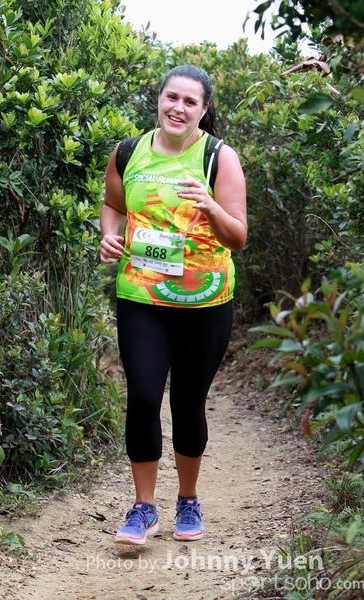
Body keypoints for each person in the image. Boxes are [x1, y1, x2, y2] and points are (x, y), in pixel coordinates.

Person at [100, 64, 247, 546]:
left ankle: (188, 498)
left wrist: (210, 205)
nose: (178, 108)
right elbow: (113, 205)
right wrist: (109, 235)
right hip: (141, 295)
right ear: (159, 99)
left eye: (189, 101)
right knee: (143, 397)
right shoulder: (128, 152)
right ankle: (143, 508)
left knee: (187, 402)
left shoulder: (219, 158)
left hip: (205, 301)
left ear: (204, 110)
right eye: (171, 97)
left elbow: (238, 237)